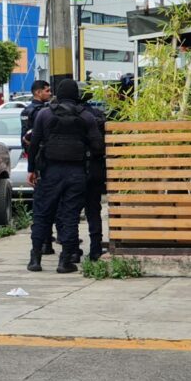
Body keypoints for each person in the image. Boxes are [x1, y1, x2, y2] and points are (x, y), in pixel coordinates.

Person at [27, 79, 104, 274]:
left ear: (58, 94)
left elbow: (34, 143)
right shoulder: (86, 117)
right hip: (76, 172)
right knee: (70, 216)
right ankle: (65, 260)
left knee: (42, 214)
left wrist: (32, 169)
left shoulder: (44, 114)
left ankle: (35, 258)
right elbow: (98, 147)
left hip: (50, 171)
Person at [20, 79, 55, 257]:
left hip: (51, 162)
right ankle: (44, 242)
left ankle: (47, 242)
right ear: (37, 92)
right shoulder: (31, 111)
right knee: (43, 207)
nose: (49, 93)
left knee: (50, 206)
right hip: (42, 164)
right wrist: (33, 163)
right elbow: (26, 140)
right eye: (47, 91)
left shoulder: (49, 110)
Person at [81, 92, 108, 261]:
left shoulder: (54, 114)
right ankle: (95, 248)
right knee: (93, 210)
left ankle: (70, 251)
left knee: (69, 211)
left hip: (74, 169)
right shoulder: (96, 116)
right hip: (95, 168)